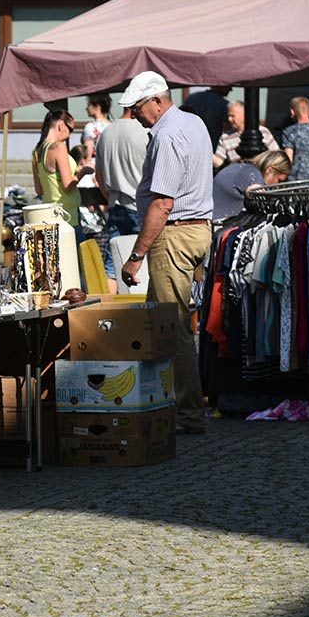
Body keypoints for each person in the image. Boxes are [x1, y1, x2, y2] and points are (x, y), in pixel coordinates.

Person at [117, 71, 213, 435]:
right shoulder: (191, 122)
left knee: (172, 327)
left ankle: (188, 413)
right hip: (194, 230)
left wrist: (137, 254)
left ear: (157, 101)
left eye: (137, 108)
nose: (134, 115)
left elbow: (162, 204)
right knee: (161, 324)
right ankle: (163, 404)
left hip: (175, 235)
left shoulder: (169, 134)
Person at [94, 102, 151, 269]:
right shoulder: (146, 131)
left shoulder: (107, 131)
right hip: (141, 207)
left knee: (112, 265)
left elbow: (99, 175)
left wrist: (110, 197)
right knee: (144, 266)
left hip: (116, 205)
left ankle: (109, 296)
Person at [31, 109, 81, 223]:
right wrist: (83, 172)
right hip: (67, 215)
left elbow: (39, 190)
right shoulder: (58, 147)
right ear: (61, 125)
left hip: (48, 215)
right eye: (70, 129)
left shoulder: (37, 151)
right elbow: (68, 185)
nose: (69, 135)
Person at [212, 149, 290, 221]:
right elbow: (258, 196)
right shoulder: (251, 173)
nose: (278, 185)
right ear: (270, 170)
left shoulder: (241, 167)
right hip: (220, 225)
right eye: (279, 180)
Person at [213, 100, 279, 168]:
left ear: (244, 115)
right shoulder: (225, 137)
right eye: (228, 116)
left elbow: (276, 154)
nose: (229, 119)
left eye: (233, 116)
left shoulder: (262, 132)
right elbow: (219, 161)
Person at [180, 86, 230, 150]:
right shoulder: (224, 105)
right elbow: (227, 129)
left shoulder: (192, 98)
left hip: (189, 146)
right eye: (229, 87)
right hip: (213, 148)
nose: (231, 90)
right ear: (220, 86)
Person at [79, 92, 111, 164]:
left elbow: (87, 154)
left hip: (94, 166)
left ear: (96, 107)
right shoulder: (111, 126)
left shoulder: (90, 127)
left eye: (89, 105)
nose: (86, 108)